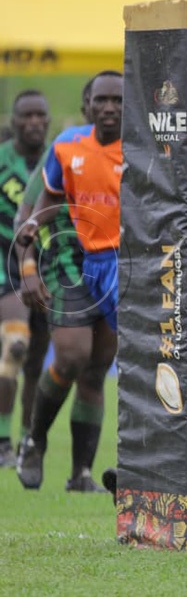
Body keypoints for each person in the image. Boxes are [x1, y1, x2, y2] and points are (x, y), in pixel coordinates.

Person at [16, 70, 123, 492]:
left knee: (98, 368)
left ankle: (81, 474)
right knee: (72, 355)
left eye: (118, 100)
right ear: (87, 106)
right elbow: (38, 211)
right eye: (102, 100)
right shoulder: (66, 148)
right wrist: (28, 268)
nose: (110, 107)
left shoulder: (147, 151)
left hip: (123, 266)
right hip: (73, 260)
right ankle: (34, 441)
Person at [0, 90, 50, 466]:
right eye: (26, 116)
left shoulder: (56, 161)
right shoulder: (2, 161)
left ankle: (25, 444)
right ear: (14, 121)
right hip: (5, 266)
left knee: (35, 364)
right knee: (15, 344)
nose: (33, 122)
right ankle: (2, 442)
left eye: (40, 116)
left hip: (49, 269)